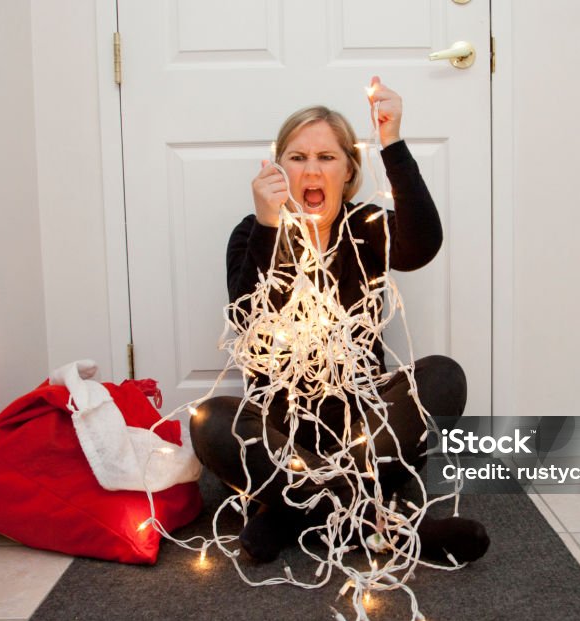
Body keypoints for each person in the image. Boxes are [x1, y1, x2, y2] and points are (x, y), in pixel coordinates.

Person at [190, 77, 489, 564]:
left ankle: (291, 513)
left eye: (326, 157)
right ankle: (388, 525)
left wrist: (391, 142)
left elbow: (423, 243)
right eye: (298, 157)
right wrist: (270, 228)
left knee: (442, 377)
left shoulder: (365, 228)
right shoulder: (252, 232)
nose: (312, 169)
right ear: (277, 167)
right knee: (210, 423)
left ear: (349, 170)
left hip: (364, 425)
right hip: (282, 433)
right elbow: (249, 318)